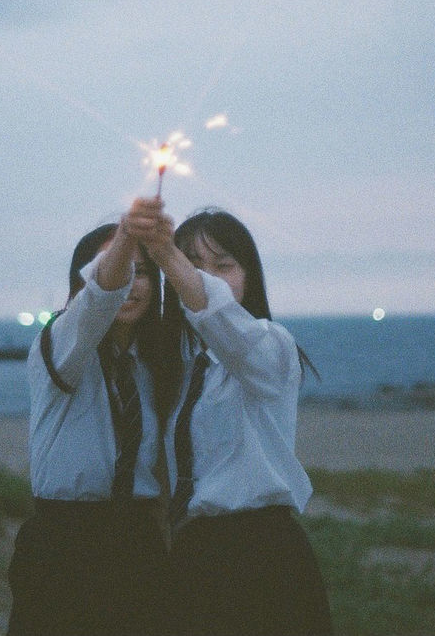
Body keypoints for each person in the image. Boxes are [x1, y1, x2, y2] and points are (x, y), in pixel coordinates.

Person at [141, 206, 333, 636]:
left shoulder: (272, 346)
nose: (209, 279)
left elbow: (228, 329)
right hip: (193, 550)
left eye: (224, 265)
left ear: (250, 275)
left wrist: (169, 257)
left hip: (263, 551)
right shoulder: (179, 365)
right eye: (194, 267)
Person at [6, 197, 176, 636]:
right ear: (80, 285)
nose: (130, 284)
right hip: (65, 541)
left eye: (143, 273)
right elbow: (99, 300)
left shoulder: (150, 364)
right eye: (120, 269)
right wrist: (125, 236)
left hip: (138, 541)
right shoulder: (61, 343)